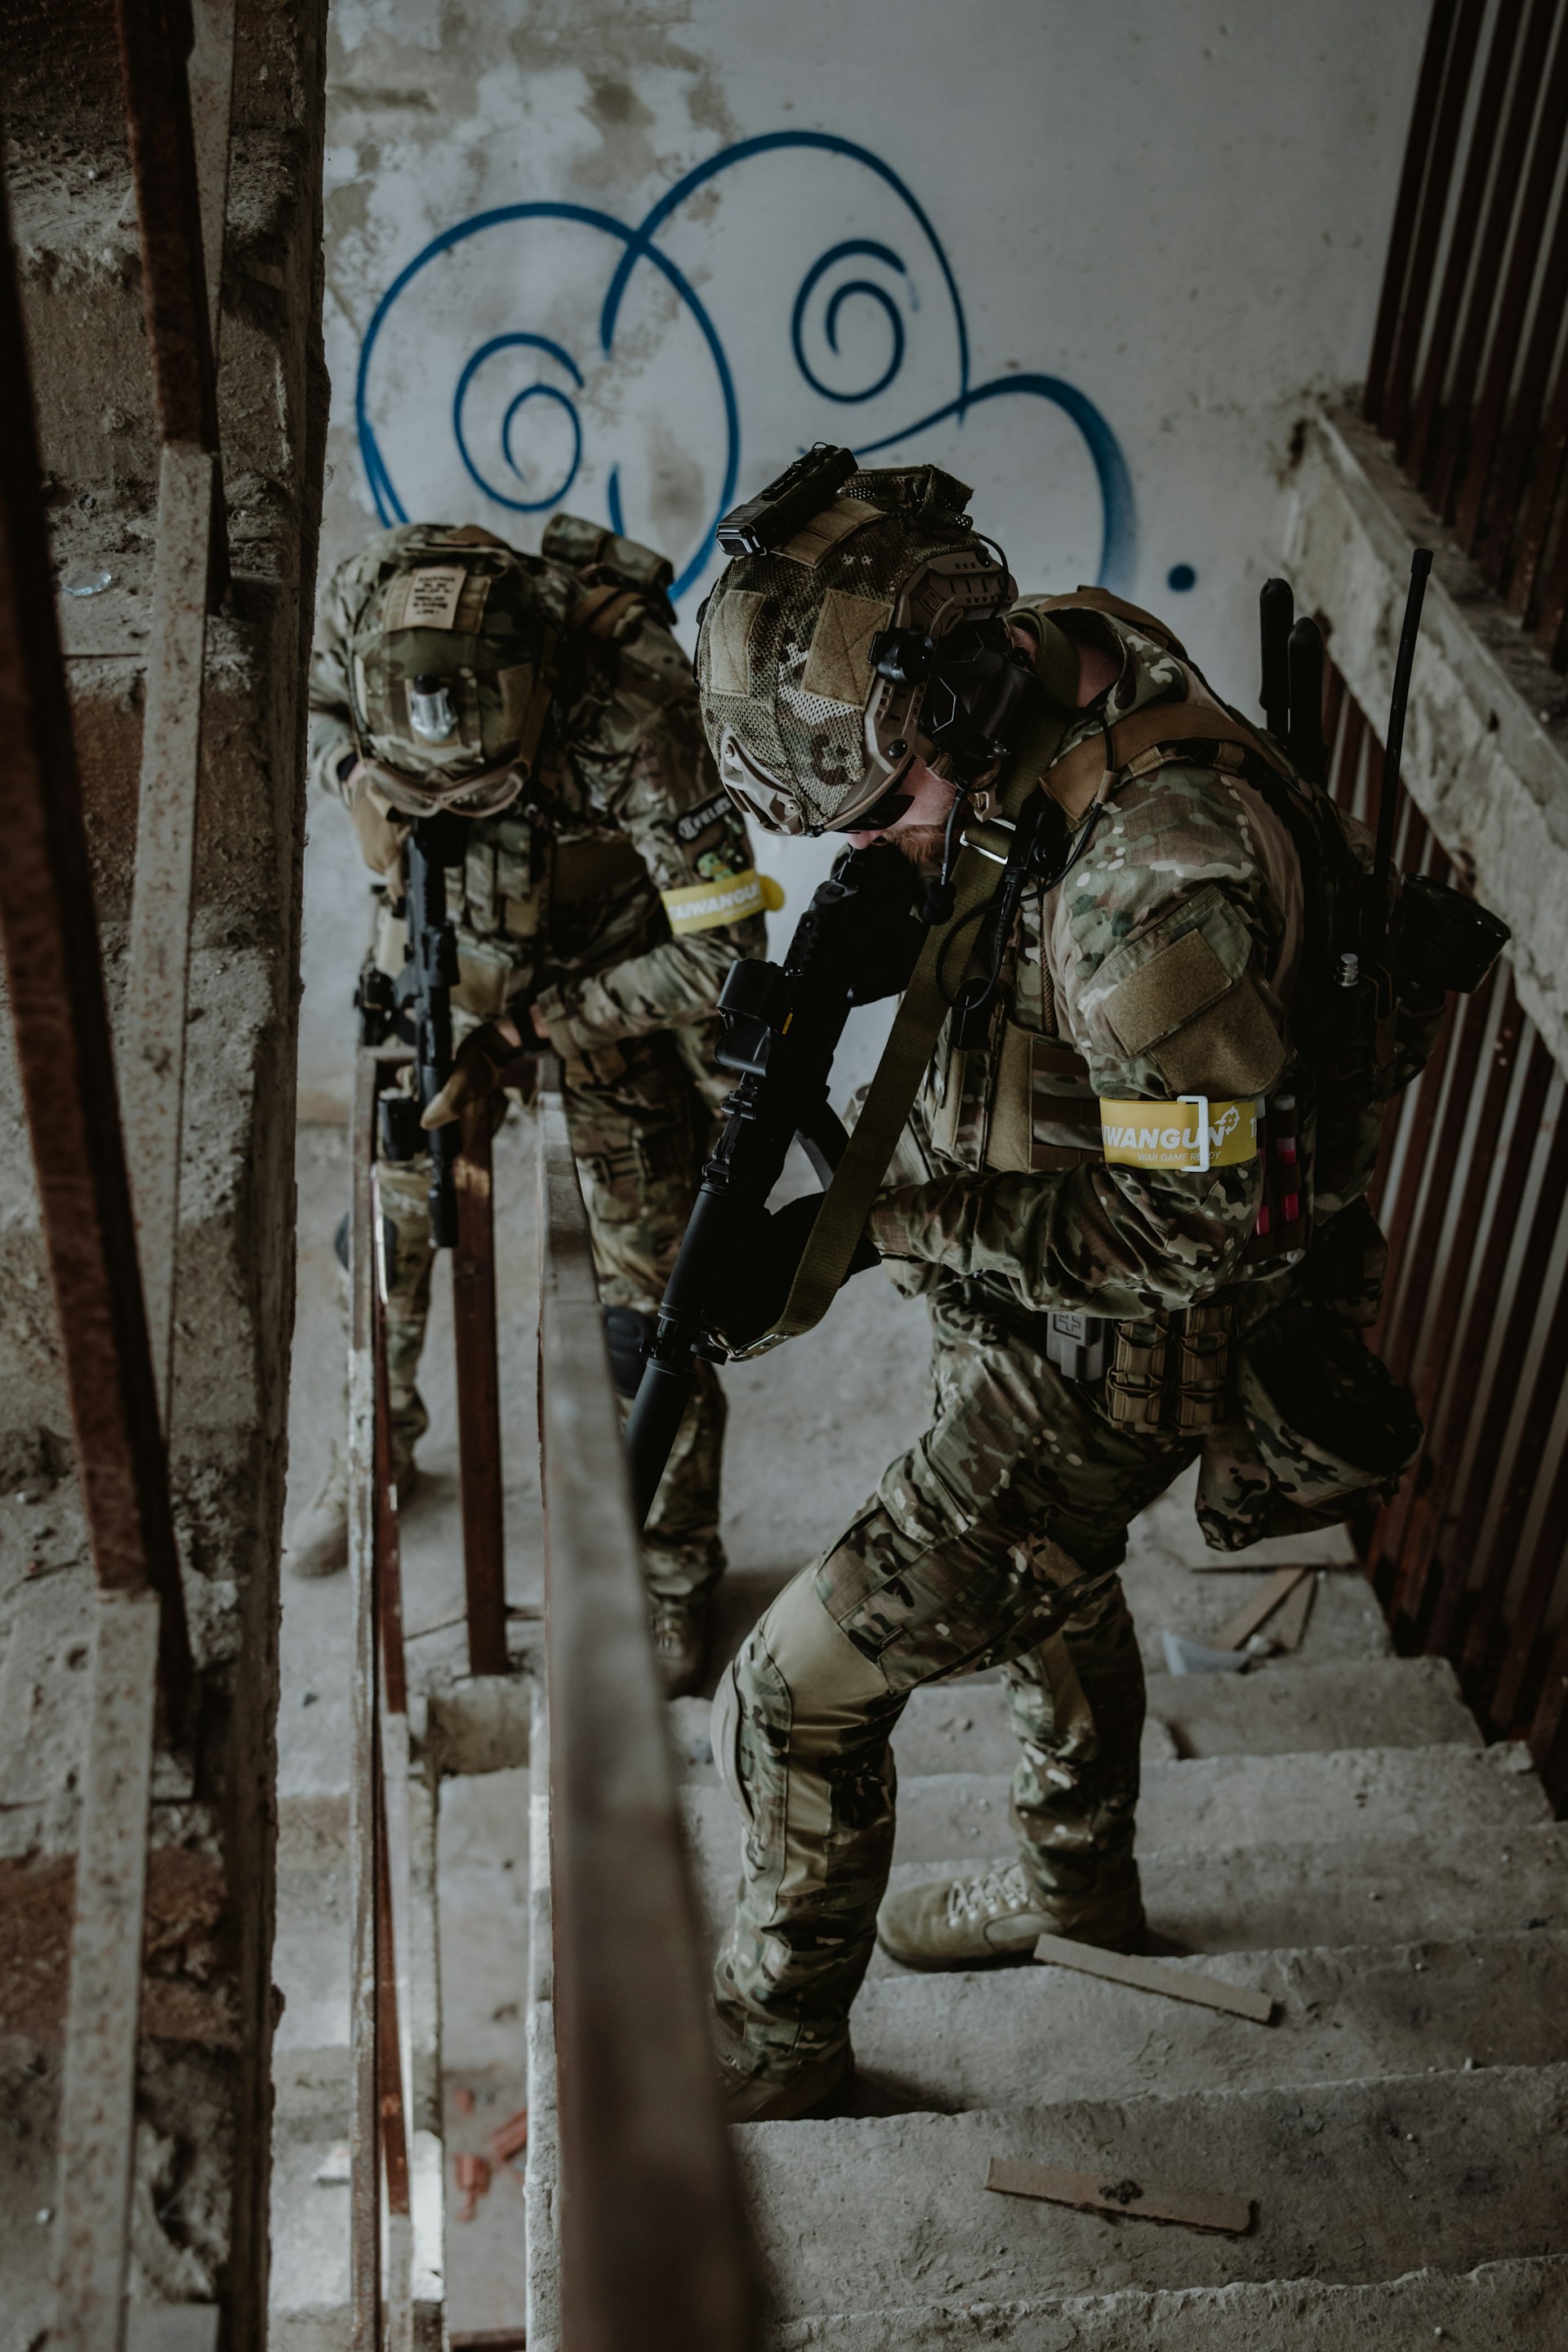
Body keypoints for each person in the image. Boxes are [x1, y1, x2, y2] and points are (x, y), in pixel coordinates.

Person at [689, 458, 1439, 2118]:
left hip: (1132, 1339)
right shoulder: (1047, 649)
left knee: (795, 1691)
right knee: (1057, 1579)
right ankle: (1077, 1889)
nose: (862, 854)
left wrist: (883, 1224)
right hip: (1044, 1281)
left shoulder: (1145, 900)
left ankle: (773, 2054)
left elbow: (1187, 1245)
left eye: (876, 816)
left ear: (949, 702)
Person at [287, 514, 770, 1694]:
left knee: (657, 1305)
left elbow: (726, 954)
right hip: (439, 964)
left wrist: (542, 1029)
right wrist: (355, 778)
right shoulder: (365, 605)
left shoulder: (641, 713)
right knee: (384, 1236)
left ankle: (668, 1572)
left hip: (600, 989)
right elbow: (305, 709)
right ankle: (375, 1451)